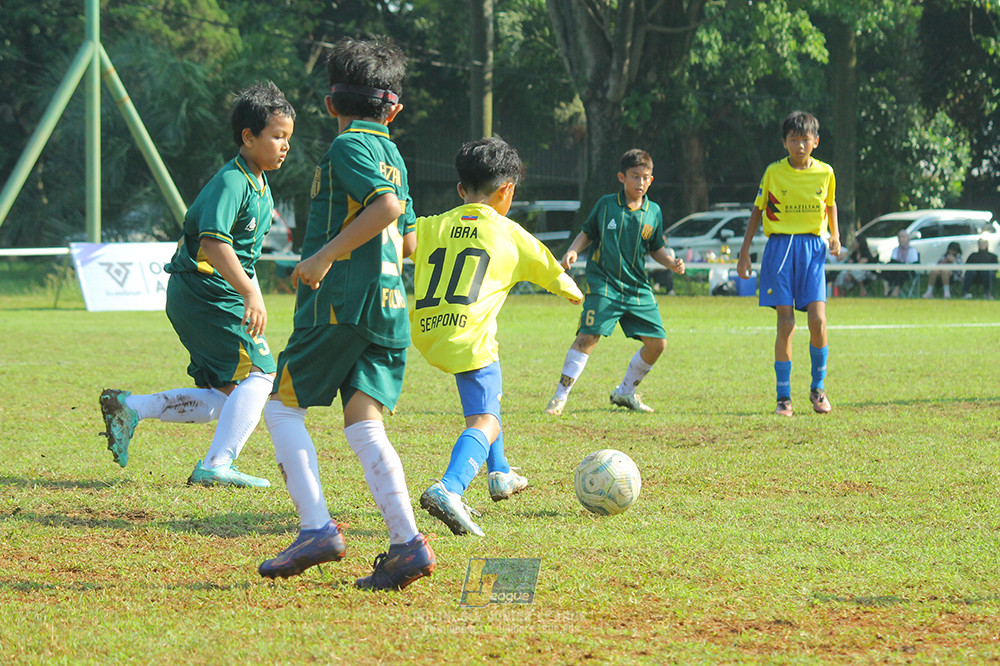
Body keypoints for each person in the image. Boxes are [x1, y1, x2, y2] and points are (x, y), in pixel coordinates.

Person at [256, 37, 435, 592]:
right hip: (387, 310)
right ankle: (407, 544)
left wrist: (323, 254)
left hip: (339, 307)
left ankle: (316, 529)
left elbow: (387, 208)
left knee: (281, 408)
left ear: (331, 104)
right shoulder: (395, 155)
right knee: (364, 425)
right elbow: (405, 242)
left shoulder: (346, 148)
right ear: (394, 108)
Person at [99, 82, 295, 487]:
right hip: (204, 292)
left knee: (225, 396)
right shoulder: (233, 182)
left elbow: (240, 252)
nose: (284, 145)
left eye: (287, 137)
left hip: (201, 294)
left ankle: (130, 407)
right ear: (248, 136)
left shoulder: (258, 182)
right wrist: (250, 292)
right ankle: (216, 465)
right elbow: (213, 242)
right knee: (261, 375)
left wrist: (247, 290)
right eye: (277, 136)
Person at [412, 137, 583, 537]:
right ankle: (449, 488)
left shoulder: (432, 224)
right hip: (469, 337)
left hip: (429, 331)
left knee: (489, 394)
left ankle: (500, 473)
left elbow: (406, 242)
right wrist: (570, 290)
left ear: (461, 190)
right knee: (485, 418)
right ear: (507, 190)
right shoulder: (509, 232)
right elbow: (548, 267)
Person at [543, 149, 685, 416]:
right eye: (634, 177)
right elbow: (586, 232)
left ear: (651, 180)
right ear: (622, 177)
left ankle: (625, 393)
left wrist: (671, 262)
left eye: (645, 177)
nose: (639, 183)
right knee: (587, 337)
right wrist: (574, 250)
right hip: (604, 283)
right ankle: (560, 397)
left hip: (637, 287)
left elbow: (656, 248)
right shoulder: (606, 204)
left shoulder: (653, 211)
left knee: (657, 343)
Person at [736, 110, 840, 417]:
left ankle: (818, 389)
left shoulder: (825, 172)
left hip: (812, 248)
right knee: (786, 323)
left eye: (805, 140)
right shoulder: (773, 172)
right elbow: (757, 210)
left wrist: (835, 236)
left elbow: (830, 204)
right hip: (780, 248)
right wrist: (744, 252)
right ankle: (784, 397)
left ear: (815, 142)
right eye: (793, 140)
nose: (799, 146)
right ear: (784, 142)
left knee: (818, 321)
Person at [883, 229, 919, 297]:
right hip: (895, 270)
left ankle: (896, 290)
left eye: (903, 237)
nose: (901, 239)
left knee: (901, 270)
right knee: (887, 268)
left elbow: (914, 264)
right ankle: (887, 289)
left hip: (907, 272)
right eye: (899, 237)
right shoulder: (896, 250)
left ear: (907, 238)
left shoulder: (912, 250)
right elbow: (893, 261)